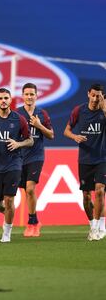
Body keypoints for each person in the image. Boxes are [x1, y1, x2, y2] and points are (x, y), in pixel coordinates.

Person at [0, 88, 33, 243]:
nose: (3, 100)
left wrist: (18, 143)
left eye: (6, 98)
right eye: (0, 98)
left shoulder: (19, 119)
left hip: (14, 164)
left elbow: (30, 140)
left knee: (9, 200)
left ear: (10, 100)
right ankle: (9, 215)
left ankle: (7, 232)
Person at [64, 83, 106, 241]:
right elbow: (66, 130)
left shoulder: (104, 111)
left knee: (100, 191)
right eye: (93, 95)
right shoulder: (79, 110)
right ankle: (92, 225)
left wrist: (104, 108)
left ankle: (98, 227)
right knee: (87, 196)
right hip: (85, 159)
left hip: (102, 158)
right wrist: (75, 137)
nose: (95, 98)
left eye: (99, 96)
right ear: (88, 94)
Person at [17, 83, 54, 237]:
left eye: (32, 94)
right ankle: (36, 219)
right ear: (23, 96)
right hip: (19, 157)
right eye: (27, 94)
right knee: (26, 190)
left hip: (36, 156)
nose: (29, 97)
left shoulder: (42, 114)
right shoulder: (16, 114)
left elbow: (51, 135)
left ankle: (32, 222)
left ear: (37, 96)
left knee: (30, 189)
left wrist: (39, 125)